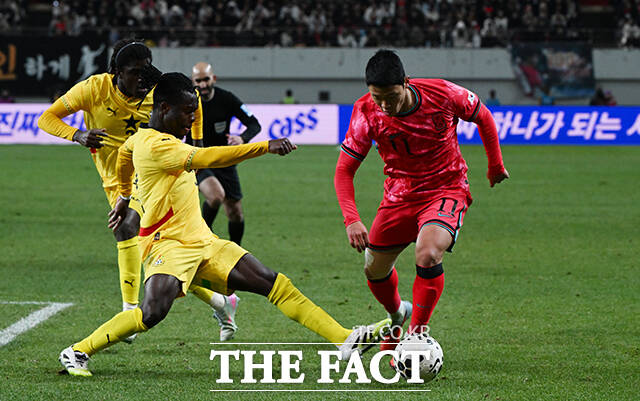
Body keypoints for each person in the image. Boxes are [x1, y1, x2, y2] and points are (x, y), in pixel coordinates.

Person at [58, 73, 389, 377]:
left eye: (194, 112)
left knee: (273, 282)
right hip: (165, 244)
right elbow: (210, 158)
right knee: (152, 312)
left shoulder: (140, 138)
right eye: (187, 112)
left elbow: (123, 157)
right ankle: (77, 351)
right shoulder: (159, 147)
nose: (192, 119)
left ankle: (344, 339)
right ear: (165, 108)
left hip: (203, 241)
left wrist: (123, 196)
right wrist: (266, 146)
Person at [37, 39, 236, 343]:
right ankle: (221, 302)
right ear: (117, 72)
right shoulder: (93, 89)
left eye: (146, 70)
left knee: (126, 227)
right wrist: (78, 135)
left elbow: (192, 96)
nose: (142, 78)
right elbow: (46, 118)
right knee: (162, 258)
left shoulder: (157, 89)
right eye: (135, 72)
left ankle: (129, 310)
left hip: (156, 175)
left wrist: (196, 145)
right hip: (117, 181)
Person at [334, 50, 509, 352]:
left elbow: (483, 116)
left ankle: (416, 337)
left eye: (391, 97)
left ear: (406, 82)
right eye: (378, 98)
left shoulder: (443, 94)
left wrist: (495, 164)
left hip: (446, 188)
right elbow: (344, 170)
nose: (385, 105)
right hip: (399, 196)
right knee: (374, 270)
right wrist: (352, 219)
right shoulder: (365, 111)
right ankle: (396, 317)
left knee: (427, 254)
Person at [187, 62, 261, 248]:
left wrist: (242, 138)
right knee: (215, 196)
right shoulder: (188, 101)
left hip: (224, 160)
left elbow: (254, 124)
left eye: (206, 79)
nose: (203, 84)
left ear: (214, 78)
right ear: (193, 82)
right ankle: (200, 239)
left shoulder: (226, 99)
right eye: (198, 81)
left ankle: (236, 252)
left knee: (235, 213)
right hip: (199, 160)